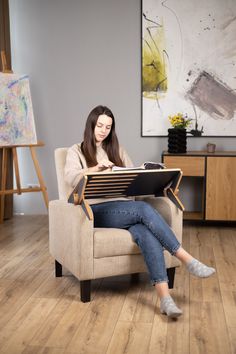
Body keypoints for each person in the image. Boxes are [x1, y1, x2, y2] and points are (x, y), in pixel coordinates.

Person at [64, 105, 215, 318]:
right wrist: (95, 169)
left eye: (108, 127)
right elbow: (70, 178)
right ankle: (187, 259)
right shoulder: (76, 150)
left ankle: (165, 299)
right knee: (143, 209)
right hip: (94, 209)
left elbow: (132, 177)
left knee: (145, 232)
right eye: (99, 125)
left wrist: (154, 181)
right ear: (91, 125)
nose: (103, 130)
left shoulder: (118, 150)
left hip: (124, 209)